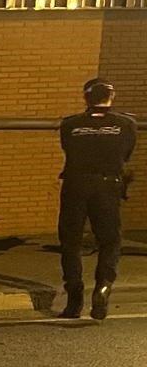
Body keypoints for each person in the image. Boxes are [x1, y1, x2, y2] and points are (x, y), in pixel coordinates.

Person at [58, 78, 136, 320]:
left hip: (75, 185)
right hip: (107, 185)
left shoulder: (70, 124)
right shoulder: (126, 124)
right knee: (110, 241)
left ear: (86, 97)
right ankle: (102, 287)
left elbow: (67, 148)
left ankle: (74, 299)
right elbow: (126, 154)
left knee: (71, 241)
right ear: (110, 98)